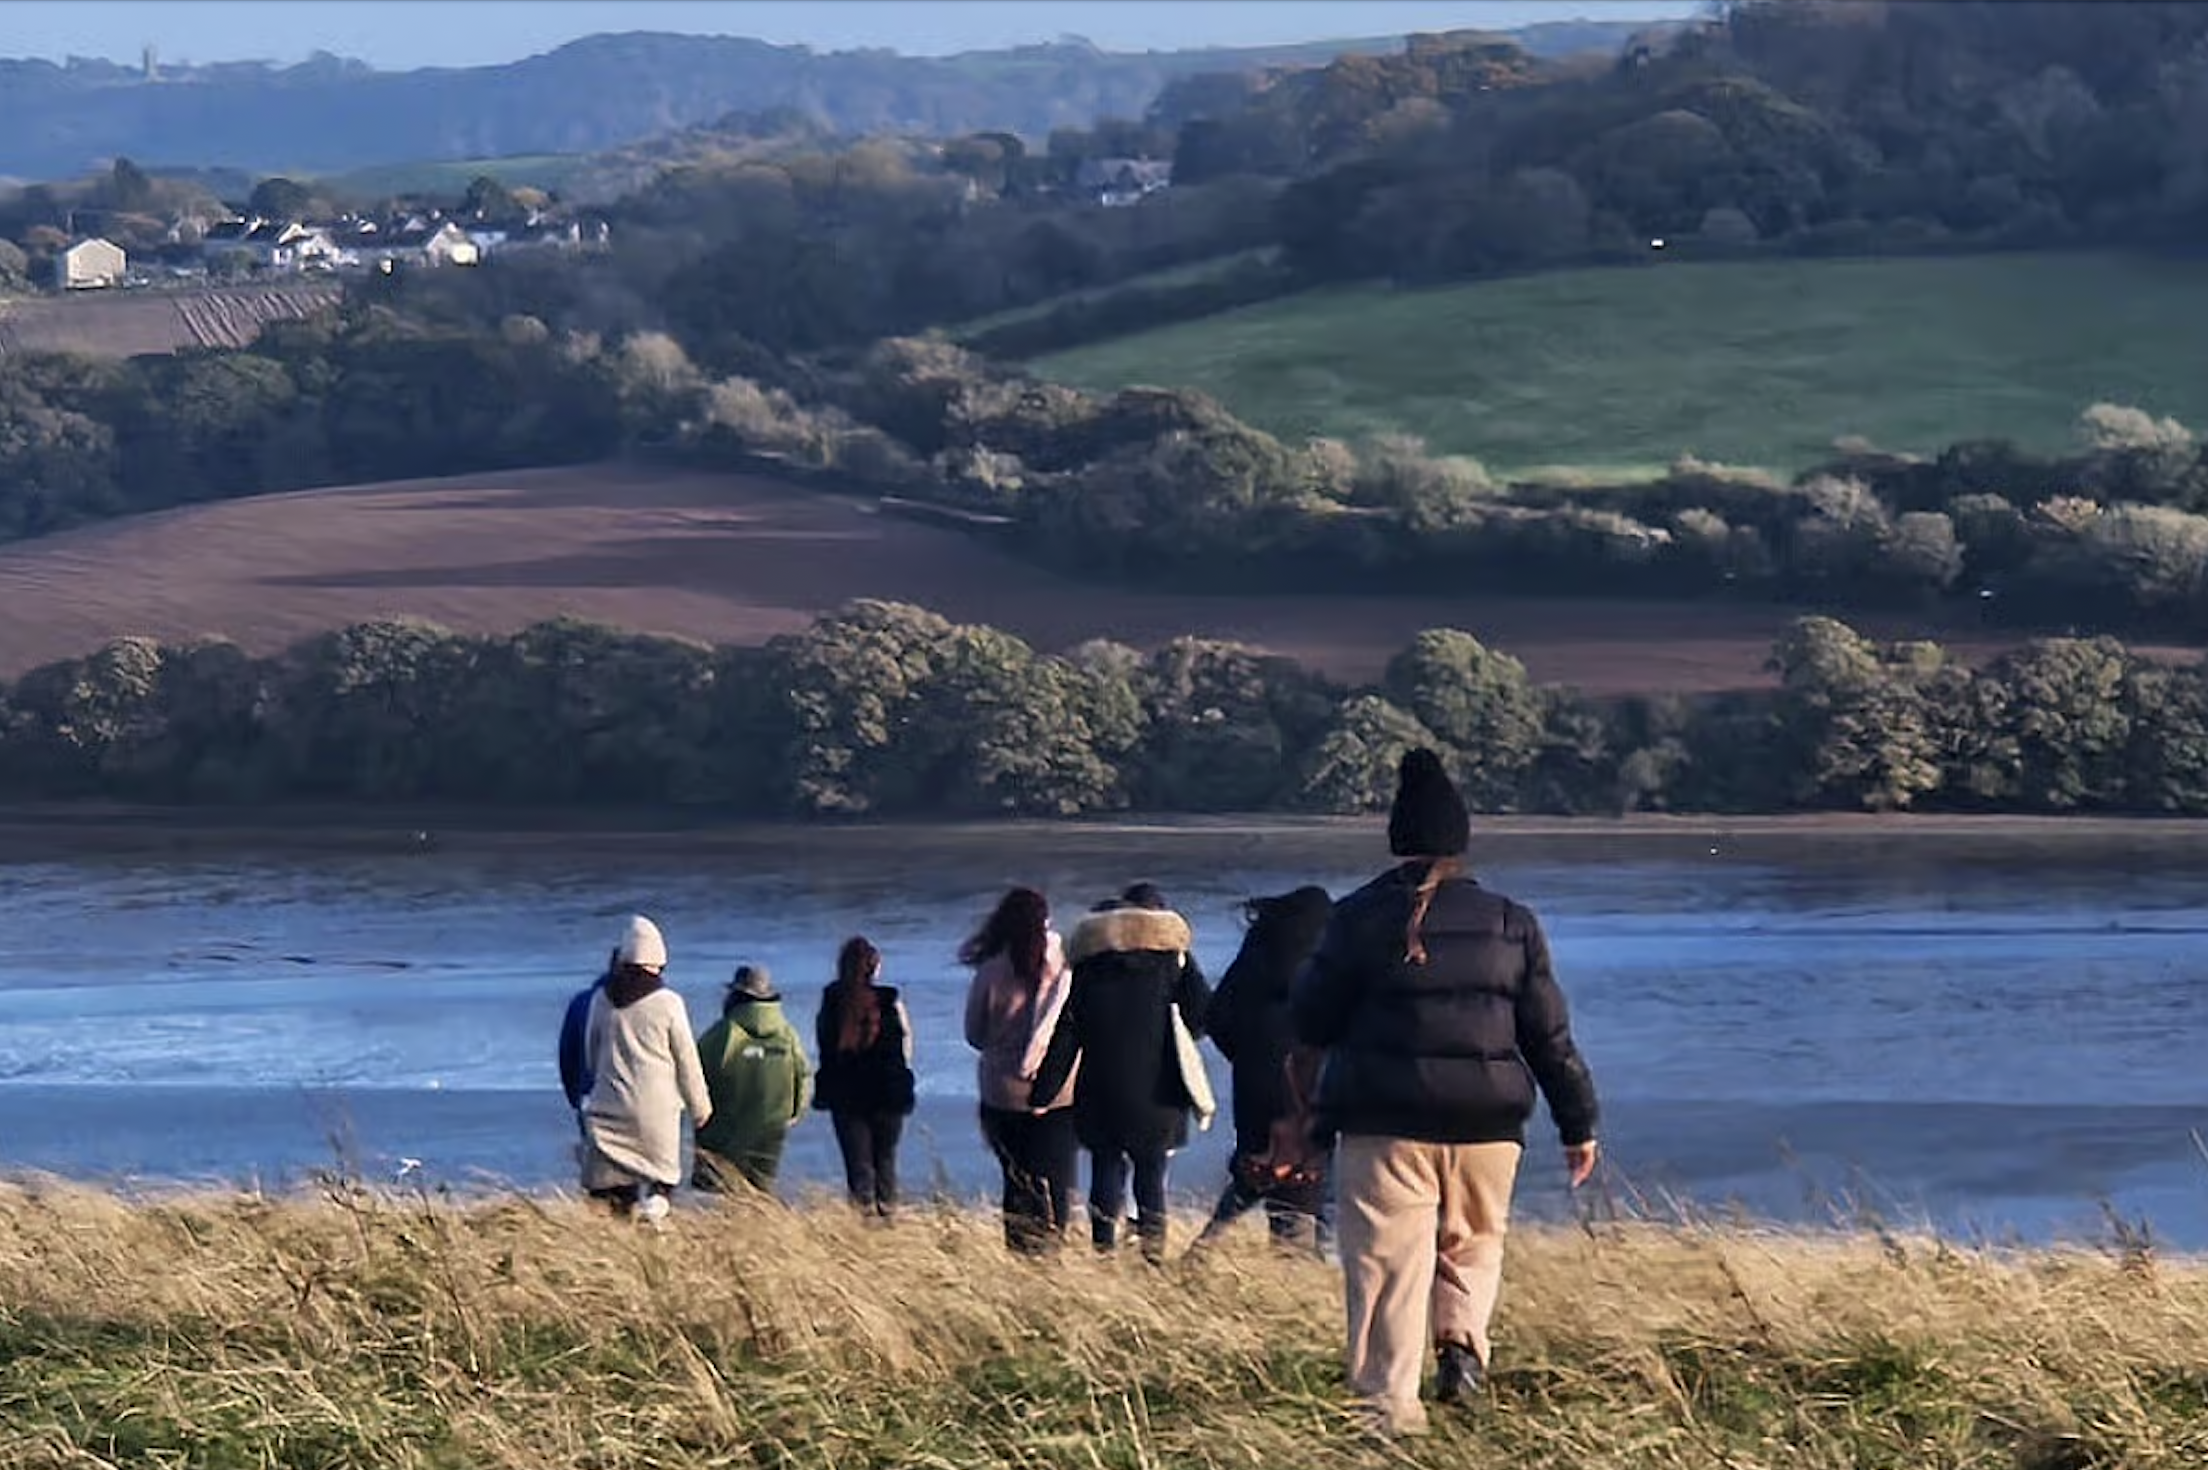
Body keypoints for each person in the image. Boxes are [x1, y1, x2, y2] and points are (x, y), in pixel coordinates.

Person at [1289, 749, 1601, 1439]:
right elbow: (1549, 1037)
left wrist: (1307, 1109)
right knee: (1474, 1243)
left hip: (1385, 1119)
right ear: (1461, 842)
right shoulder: (1512, 921)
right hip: (1490, 1121)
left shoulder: (1354, 919)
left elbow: (1310, 1020)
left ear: (1397, 839)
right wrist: (1578, 1123)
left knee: (1385, 1262)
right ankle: (1460, 1345)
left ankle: (1388, 1412)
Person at [1029, 882, 1212, 1262]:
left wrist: (1043, 1093)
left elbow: (1067, 1034)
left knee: (1106, 1168)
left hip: (1101, 1088)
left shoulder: (1090, 969)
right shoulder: (1170, 965)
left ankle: (1104, 1250)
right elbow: (1201, 1017)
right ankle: (1152, 1255)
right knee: (1151, 1174)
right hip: (1158, 1088)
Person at [1193, 885, 1335, 1254]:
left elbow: (1216, 1017)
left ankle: (1204, 1251)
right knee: (1304, 1183)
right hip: (1307, 1090)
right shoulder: (1327, 964)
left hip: (1255, 1086)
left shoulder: (1253, 957)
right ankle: (1300, 1272)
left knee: (1254, 1171)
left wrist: (1246, 1057)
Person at [962, 887, 1079, 1254]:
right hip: (1059, 1089)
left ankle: (1022, 1252)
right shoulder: (1065, 965)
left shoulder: (991, 969)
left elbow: (974, 1034)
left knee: (1017, 1181)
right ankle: (1055, 1246)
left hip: (1002, 1092)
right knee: (1060, 1177)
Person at [579, 915, 714, 1227]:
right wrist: (700, 1108)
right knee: (659, 1183)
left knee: (611, 1194)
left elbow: (590, 1054)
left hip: (609, 1109)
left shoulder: (602, 999)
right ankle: (654, 1218)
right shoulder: (668, 1003)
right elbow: (687, 1061)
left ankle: (617, 1250)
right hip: (656, 1113)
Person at [813, 935, 917, 1217]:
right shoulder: (890, 1002)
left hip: (846, 1095)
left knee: (858, 1168)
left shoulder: (833, 1003)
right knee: (885, 1163)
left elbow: (824, 1046)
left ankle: (863, 1225)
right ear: (875, 967)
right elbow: (906, 1048)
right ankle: (888, 1223)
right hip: (887, 1092)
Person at [693, 964, 812, 1196]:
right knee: (760, 1191)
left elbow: (695, 1075)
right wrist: (793, 1113)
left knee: (720, 1190)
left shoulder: (723, 1034)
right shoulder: (787, 1035)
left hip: (724, 1130)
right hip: (771, 1128)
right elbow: (804, 1076)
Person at [558, 947, 617, 1129]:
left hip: (590, 1098)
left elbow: (567, 1056)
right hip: (638, 1103)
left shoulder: (582, 1002)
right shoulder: (656, 1004)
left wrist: (575, 1098)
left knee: (595, 1155)